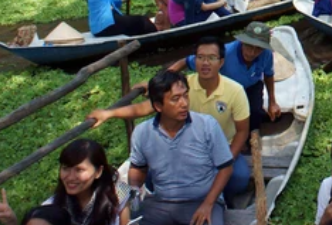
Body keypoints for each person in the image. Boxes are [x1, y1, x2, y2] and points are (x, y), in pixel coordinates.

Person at [90, 37, 251, 201]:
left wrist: (227, 159)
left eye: (211, 58)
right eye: (200, 57)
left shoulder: (235, 91)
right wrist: (108, 113)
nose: (205, 63)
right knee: (154, 177)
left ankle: (221, 201)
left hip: (222, 147)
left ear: (221, 62)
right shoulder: (182, 86)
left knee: (238, 178)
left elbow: (242, 131)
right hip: (188, 144)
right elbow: (145, 107)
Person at [127, 70, 233, 225]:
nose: (184, 103)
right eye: (175, 99)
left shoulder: (207, 126)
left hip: (202, 201)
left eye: (185, 95)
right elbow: (138, 168)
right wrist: (134, 191)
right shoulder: (142, 133)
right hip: (161, 203)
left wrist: (208, 204)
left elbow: (226, 168)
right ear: (158, 106)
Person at [168, 22, 281, 132]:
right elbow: (185, 62)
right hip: (227, 90)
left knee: (255, 113)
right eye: (248, 46)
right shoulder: (225, 53)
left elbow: (268, 75)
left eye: (258, 49)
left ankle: (253, 133)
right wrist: (166, 77)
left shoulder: (266, 54)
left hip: (252, 85)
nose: (252, 53)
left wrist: (272, 102)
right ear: (242, 42)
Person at [0, 139, 130, 225]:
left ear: (98, 171)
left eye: (79, 170)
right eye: (66, 168)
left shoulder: (117, 193)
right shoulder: (54, 207)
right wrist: (12, 222)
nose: (70, 177)